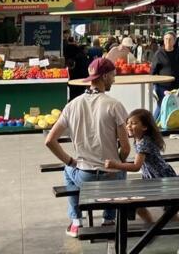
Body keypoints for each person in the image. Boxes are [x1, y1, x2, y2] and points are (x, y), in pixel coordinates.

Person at [44, 58, 131, 238]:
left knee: (68, 170)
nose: (114, 80)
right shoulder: (115, 105)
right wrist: (117, 163)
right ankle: (109, 219)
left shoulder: (72, 105)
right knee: (121, 168)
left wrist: (71, 161)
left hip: (85, 177)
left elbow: (50, 141)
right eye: (113, 75)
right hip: (112, 179)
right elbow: (126, 148)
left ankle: (76, 221)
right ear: (105, 76)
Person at [104, 109, 179, 254]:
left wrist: (115, 165)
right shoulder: (139, 139)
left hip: (162, 179)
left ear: (145, 127)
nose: (129, 126)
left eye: (134, 123)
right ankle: (151, 228)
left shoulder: (144, 143)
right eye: (128, 123)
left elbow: (136, 167)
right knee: (137, 203)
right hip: (151, 179)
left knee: (170, 211)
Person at [151, 32, 179, 118]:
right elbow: (153, 71)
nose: (168, 41)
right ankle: (152, 126)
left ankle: (168, 126)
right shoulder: (159, 54)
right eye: (166, 39)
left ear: (174, 41)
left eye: (170, 39)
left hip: (176, 86)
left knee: (175, 107)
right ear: (163, 41)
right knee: (162, 106)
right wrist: (154, 87)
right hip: (162, 87)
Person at [64, 36, 90, 101]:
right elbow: (85, 69)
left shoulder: (67, 51)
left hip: (73, 81)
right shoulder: (81, 56)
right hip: (81, 81)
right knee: (80, 97)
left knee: (73, 95)